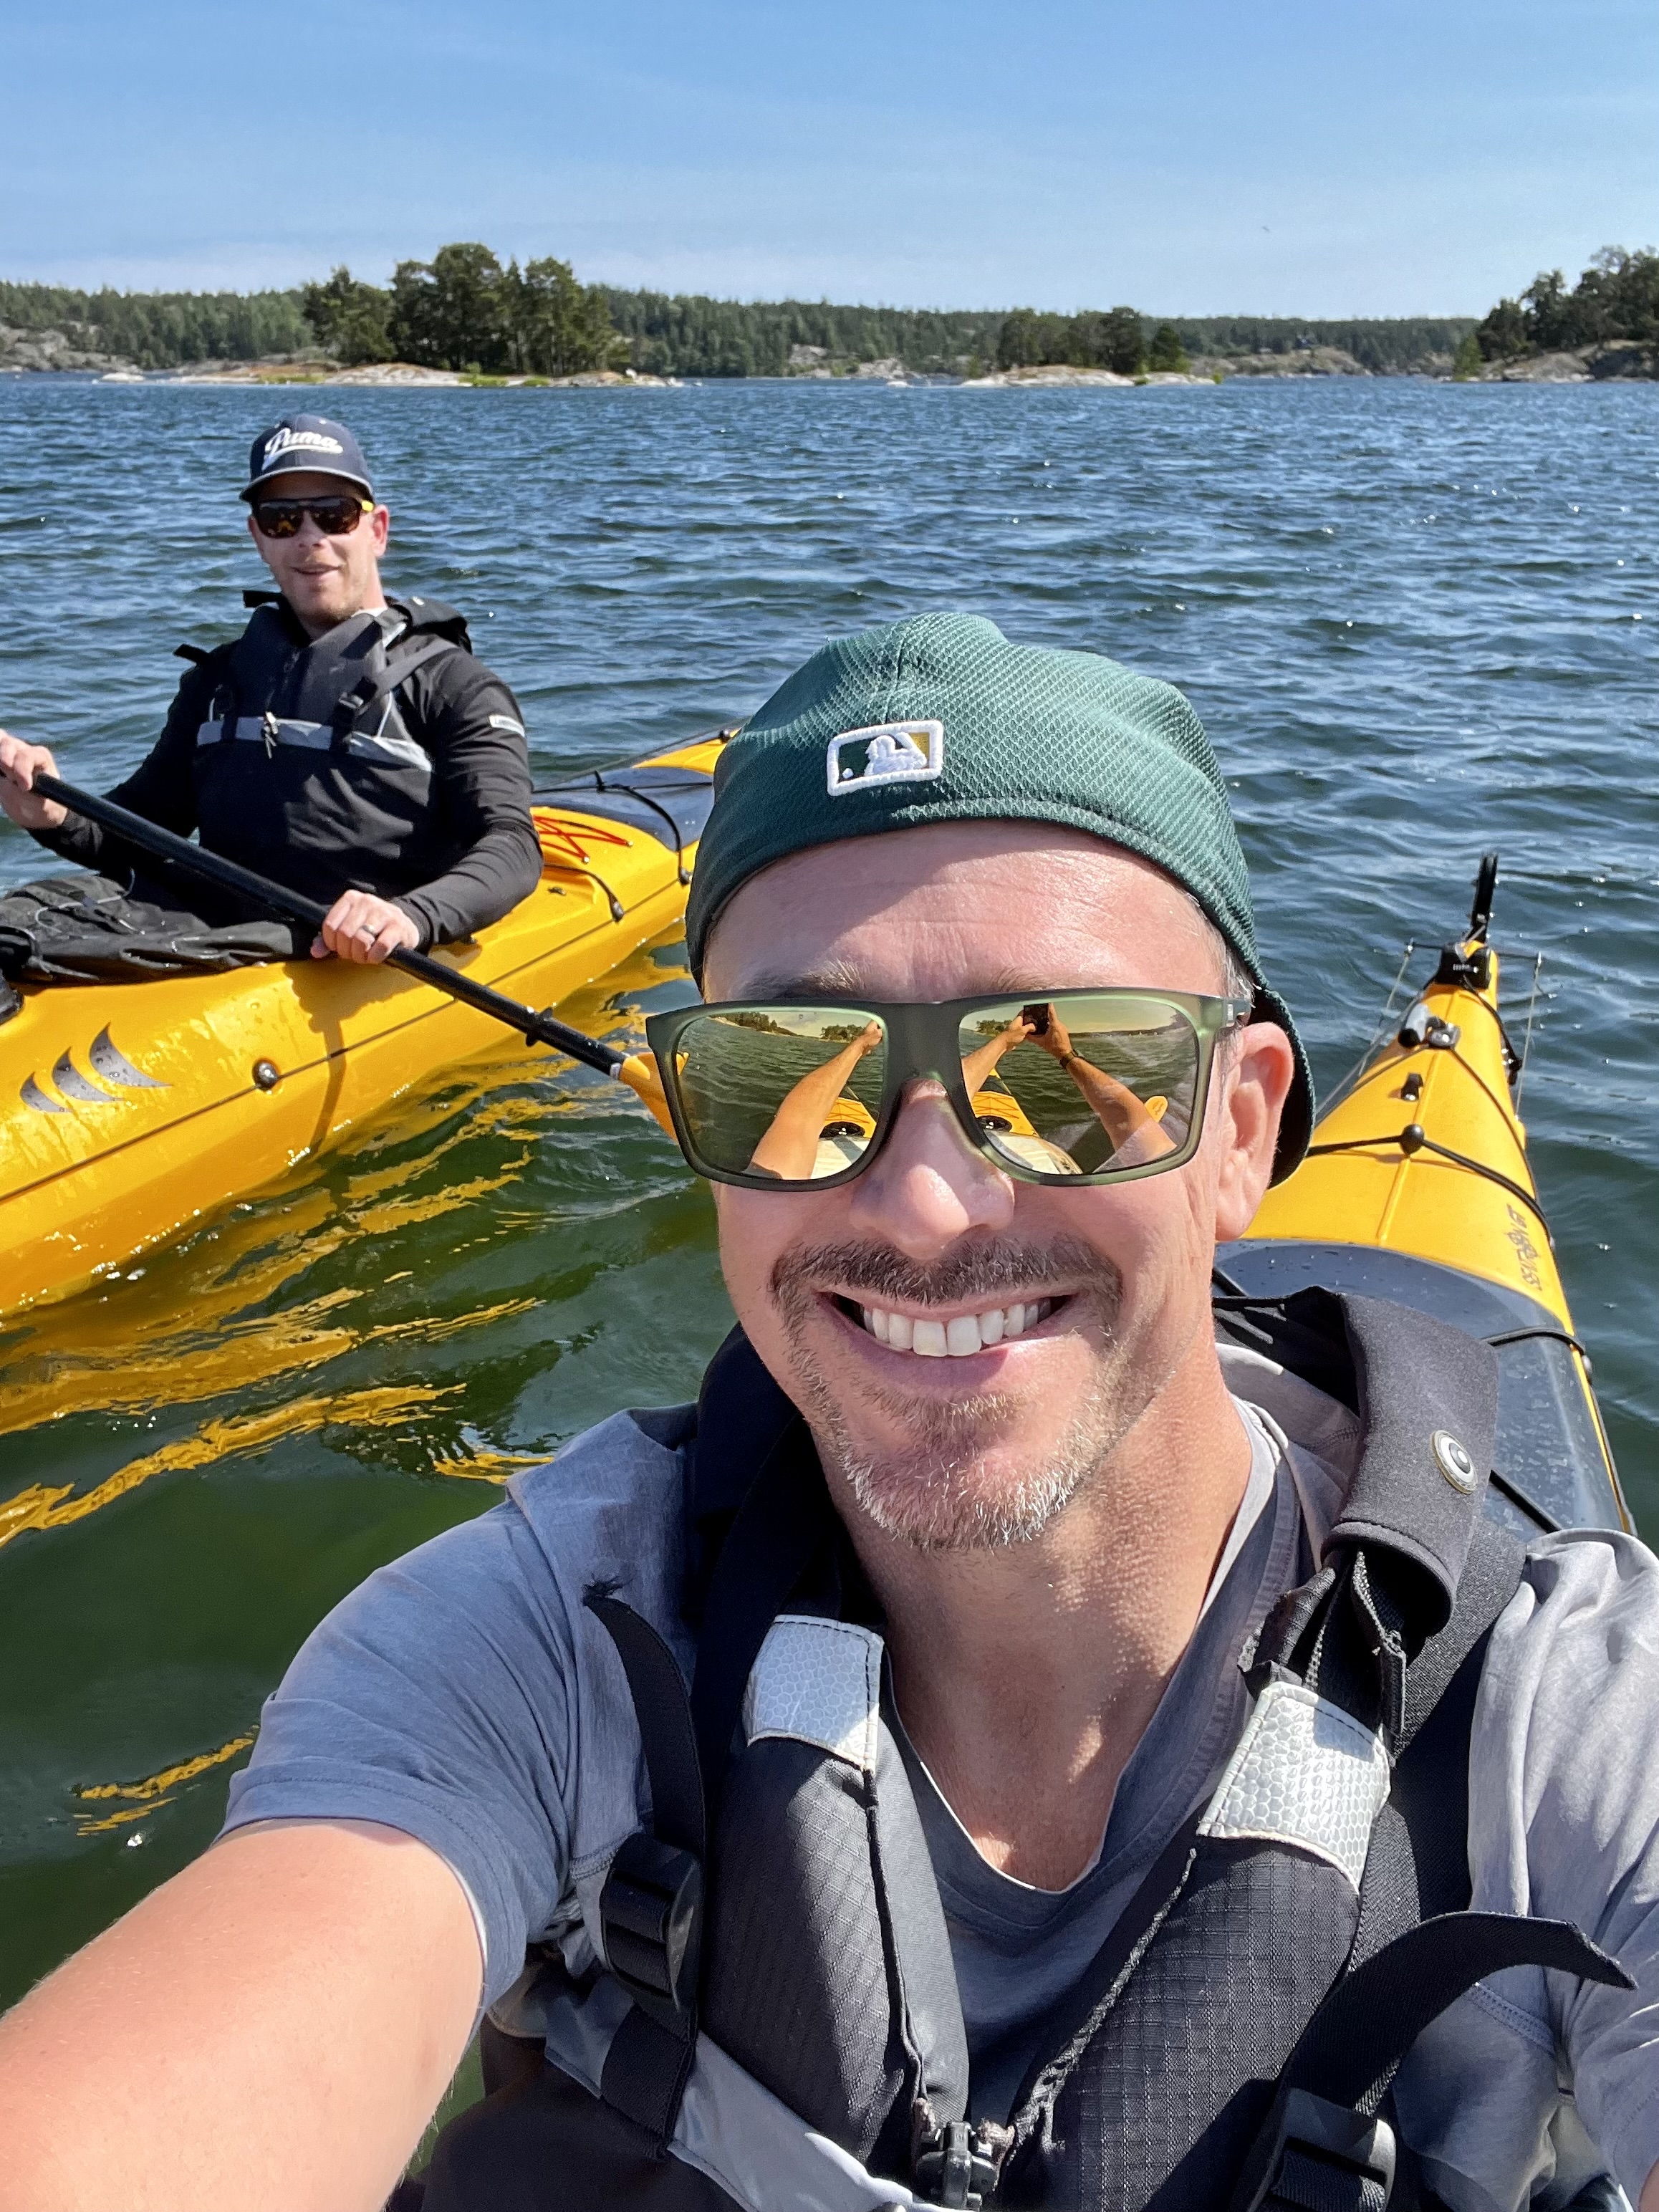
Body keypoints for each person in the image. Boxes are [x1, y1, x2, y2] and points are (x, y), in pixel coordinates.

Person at [3, 612, 1659, 2212]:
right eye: (789, 1070)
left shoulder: (1571, 1728)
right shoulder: (529, 1649)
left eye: (1065, 1068)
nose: (927, 1204)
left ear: (1238, 1135)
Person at [0, 413, 542, 971]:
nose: (310, 538)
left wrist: (412, 916)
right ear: (258, 537)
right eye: (281, 519)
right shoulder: (219, 682)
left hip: (359, 949)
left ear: (376, 530)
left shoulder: (454, 685)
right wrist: (52, 813)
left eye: (334, 515)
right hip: (215, 931)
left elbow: (513, 845)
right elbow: (140, 829)